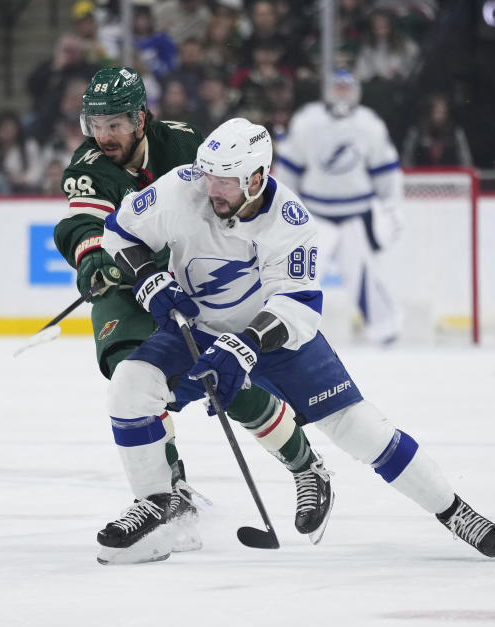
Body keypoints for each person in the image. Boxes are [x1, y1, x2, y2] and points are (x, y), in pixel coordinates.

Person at [96, 117, 495, 565]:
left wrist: (244, 346)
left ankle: (454, 511)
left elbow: (297, 305)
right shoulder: (184, 187)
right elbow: (120, 231)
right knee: (130, 387)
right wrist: (149, 277)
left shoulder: (289, 222)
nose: (212, 189)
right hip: (197, 328)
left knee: (360, 429)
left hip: (275, 335)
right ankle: (160, 505)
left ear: (257, 179)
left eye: (226, 182)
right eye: (209, 175)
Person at [55, 67, 328, 559]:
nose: (102, 135)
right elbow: (82, 224)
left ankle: (304, 464)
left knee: (220, 379)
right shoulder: (89, 163)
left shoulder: (183, 144)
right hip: (128, 281)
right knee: (131, 374)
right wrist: (95, 258)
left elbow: (223, 202)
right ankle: (170, 495)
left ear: (140, 118)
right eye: (94, 123)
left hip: (188, 277)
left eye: (114, 124)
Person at [274, 70, 403, 345]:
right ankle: (289, 330)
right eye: (338, 87)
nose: (342, 92)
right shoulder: (308, 120)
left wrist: (391, 209)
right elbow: (289, 170)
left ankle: (385, 329)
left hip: (356, 215)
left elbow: (386, 172)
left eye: (347, 87)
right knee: (303, 276)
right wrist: (284, 208)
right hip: (314, 215)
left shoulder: (369, 124)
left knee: (361, 275)